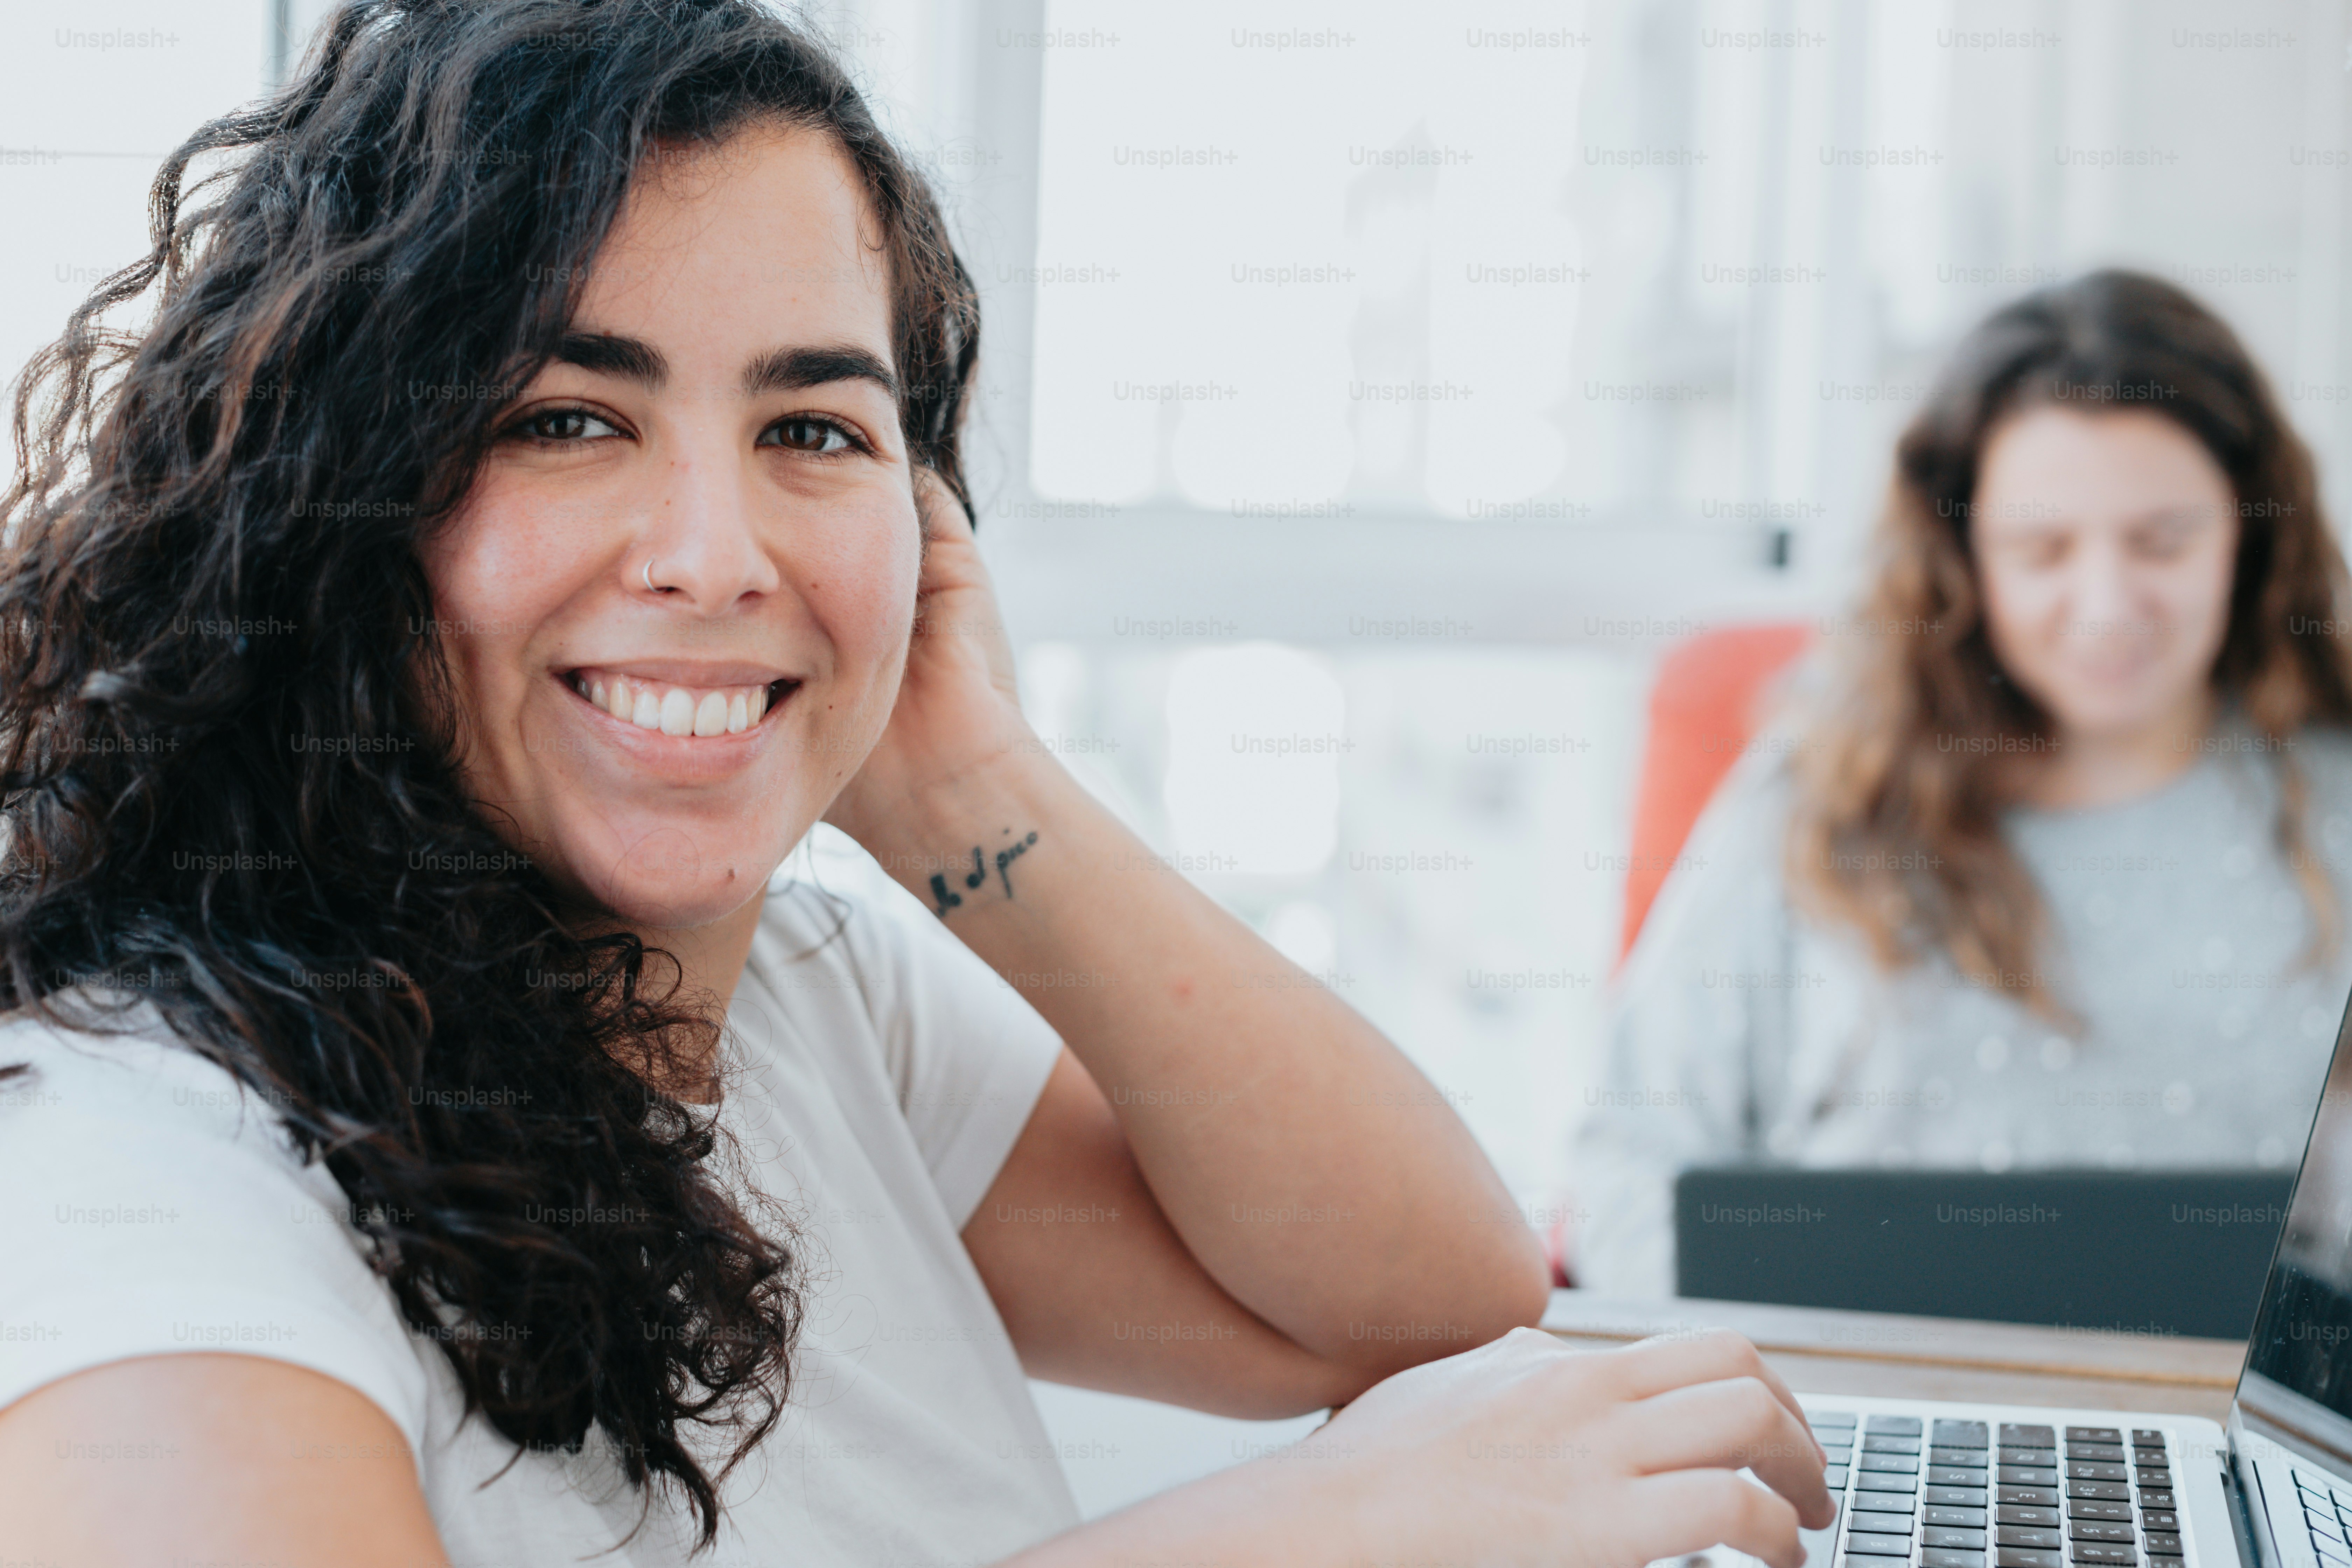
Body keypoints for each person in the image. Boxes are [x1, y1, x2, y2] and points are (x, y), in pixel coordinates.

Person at [0, 4, 1830, 1565]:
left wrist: (964, 784)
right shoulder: (142, 1156)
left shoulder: (798, 1010)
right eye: (565, 417)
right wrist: (1314, 1530)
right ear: (335, 503)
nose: (717, 555)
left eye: (813, 430)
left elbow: (1434, 1286)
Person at [1572, 269, 2352, 1295]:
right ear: (1962, 551)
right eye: (2041, 548)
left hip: (2218, 1432)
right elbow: (1624, 1170)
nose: (2107, 604)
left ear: (2250, 534)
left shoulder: (2330, 805)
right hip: (1835, 1407)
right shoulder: (1821, 793)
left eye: (2164, 540)